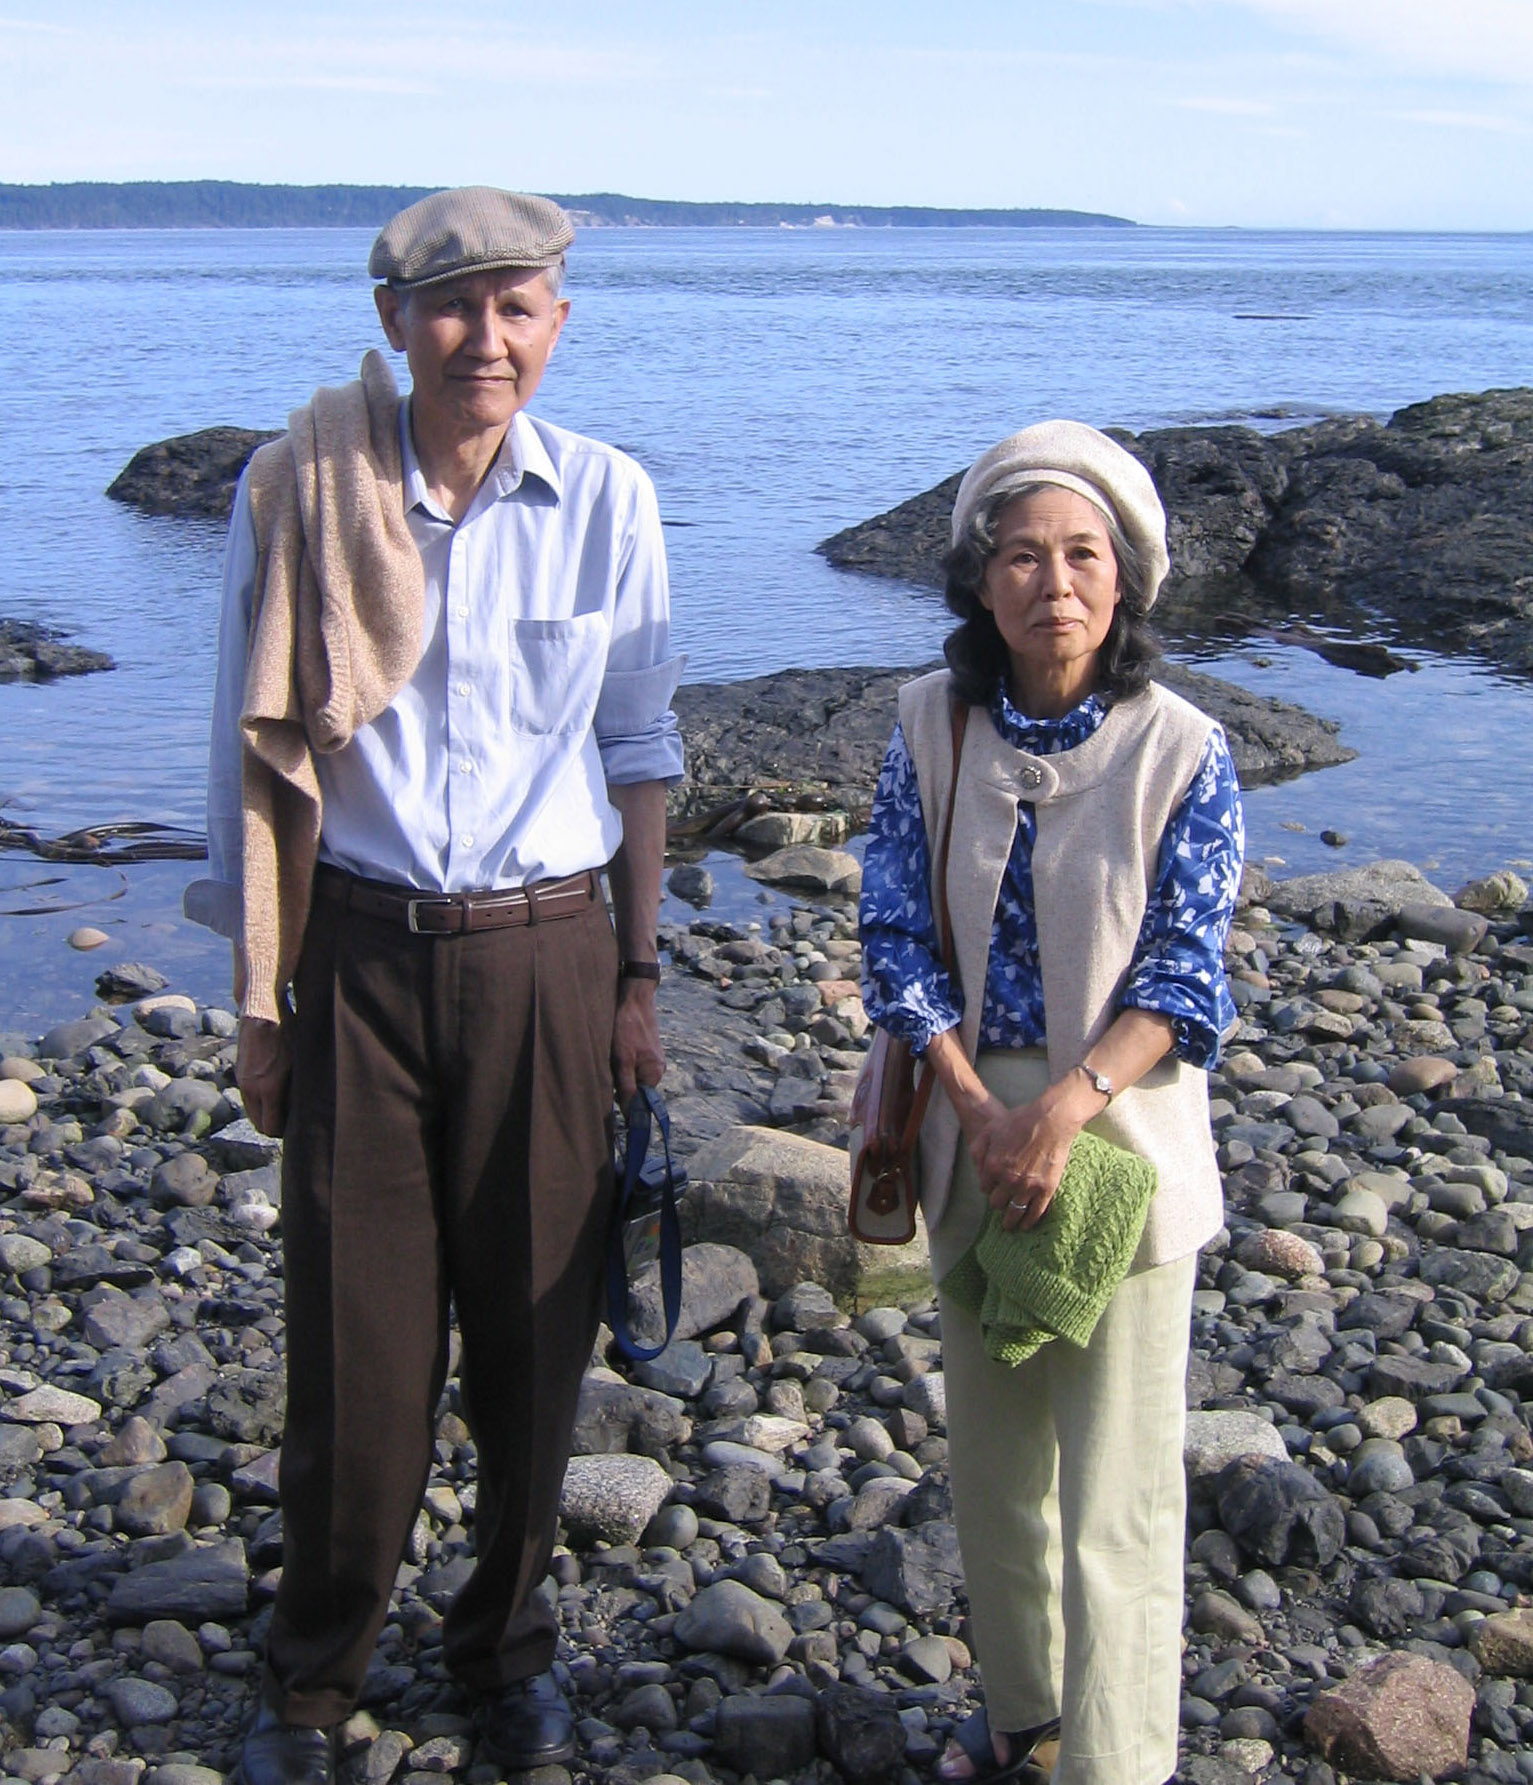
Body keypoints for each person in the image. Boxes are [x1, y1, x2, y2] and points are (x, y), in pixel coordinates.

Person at [184, 187, 683, 1785]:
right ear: (393, 320)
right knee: (356, 1345)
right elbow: (243, 757)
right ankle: (313, 1676)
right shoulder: (301, 489)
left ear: (558, 323)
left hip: (550, 954)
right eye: (453, 306)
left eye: (518, 306)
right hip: (362, 958)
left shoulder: (608, 498)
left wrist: (636, 971)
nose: (487, 338)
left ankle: (505, 1650)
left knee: (537, 1344)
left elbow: (639, 755)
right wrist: (261, 998)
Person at [859, 422, 1244, 1785]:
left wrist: (1062, 1110)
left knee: (1119, 1493)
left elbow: (1185, 980)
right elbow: (894, 936)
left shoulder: (1183, 745)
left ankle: (1118, 1762)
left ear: (1126, 577)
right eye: (1019, 554)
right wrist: (972, 1100)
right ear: (978, 579)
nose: (1052, 581)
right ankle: (1021, 1718)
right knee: (993, 1468)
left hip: (1119, 1131)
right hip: (972, 1127)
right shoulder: (929, 721)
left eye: (1081, 554)